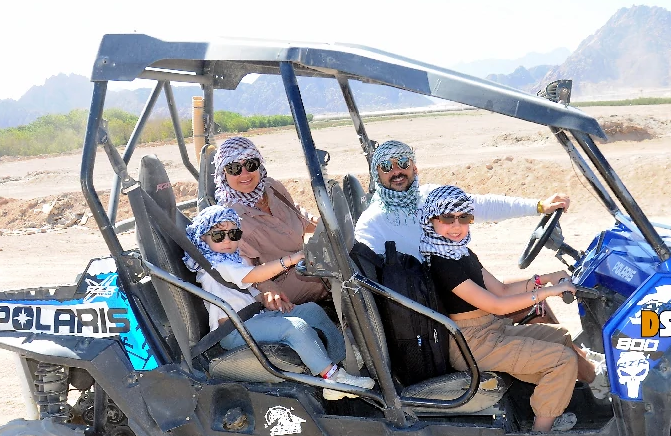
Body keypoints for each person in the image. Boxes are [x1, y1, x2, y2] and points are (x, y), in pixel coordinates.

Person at [418, 185, 585, 432]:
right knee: (562, 361)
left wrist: (545, 278)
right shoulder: (443, 264)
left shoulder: (460, 252)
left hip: (489, 329)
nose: (456, 226)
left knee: (559, 336)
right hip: (473, 344)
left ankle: (561, 399)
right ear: (431, 219)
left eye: (464, 218)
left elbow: (501, 290)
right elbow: (497, 304)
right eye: (447, 218)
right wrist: (546, 292)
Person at [184, 205, 374, 399]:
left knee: (311, 311)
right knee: (295, 327)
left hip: (252, 318)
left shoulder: (231, 261)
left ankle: (342, 362)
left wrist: (267, 301)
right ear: (202, 239)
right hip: (234, 331)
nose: (227, 241)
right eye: (218, 236)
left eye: (233, 234)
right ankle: (331, 381)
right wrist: (291, 260)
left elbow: (249, 290)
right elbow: (255, 275)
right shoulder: (215, 264)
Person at [353, 139, 572, 259]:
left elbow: (484, 206)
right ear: (377, 175)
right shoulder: (372, 222)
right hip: (432, 310)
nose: (397, 171)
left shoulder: (433, 197)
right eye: (386, 167)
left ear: (415, 167)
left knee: (540, 304)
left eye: (403, 162)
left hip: (457, 287)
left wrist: (539, 206)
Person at [212, 136, 328, 310]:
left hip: (304, 262)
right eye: (234, 168)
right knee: (337, 275)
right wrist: (265, 286)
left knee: (353, 256)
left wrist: (325, 224)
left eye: (250, 165)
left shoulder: (273, 188)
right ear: (224, 173)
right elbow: (240, 269)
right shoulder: (228, 218)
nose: (244, 174)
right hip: (277, 280)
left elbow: (299, 216)